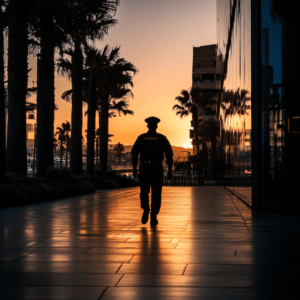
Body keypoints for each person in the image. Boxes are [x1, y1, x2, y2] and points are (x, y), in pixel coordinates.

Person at [131, 117, 173, 226]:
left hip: (144, 168)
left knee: (144, 190)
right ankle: (153, 216)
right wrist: (170, 171)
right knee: (156, 193)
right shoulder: (162, 138)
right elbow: (169, 156)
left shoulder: (141, 138)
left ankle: (145, 207)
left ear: (147, 126)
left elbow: (134, 155)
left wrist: (134, 169)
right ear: (156, 126)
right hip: (157, 169)